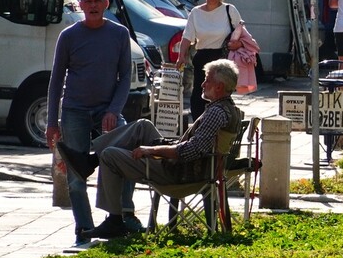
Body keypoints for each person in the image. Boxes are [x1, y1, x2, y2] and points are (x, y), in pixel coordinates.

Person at [62, 59, 243, 240]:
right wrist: (161, 146)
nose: (202, 84)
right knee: (143, 125)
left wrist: (152, 150)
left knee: (110, 156)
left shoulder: (215, 113)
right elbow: (194, 147)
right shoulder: (228, 109)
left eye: (207, 80)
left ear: (219, 87)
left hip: (179, 172)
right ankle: (91, 161)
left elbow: (190, 151)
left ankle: (115, 220)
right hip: (190, 166)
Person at [47, 0, 138, 245]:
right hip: (74, 110)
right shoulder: (69, 36)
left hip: (106, 110)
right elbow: (55, 82)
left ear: (106, 4)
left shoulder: (119, 34)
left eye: (98, 0)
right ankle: (84, 229)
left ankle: (120, 216)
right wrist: (53, 123)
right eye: (88, 1)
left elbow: (124, 79)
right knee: (76, 175)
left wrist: (113, 110)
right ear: (80, 5)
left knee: (125, 155)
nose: (93, 6)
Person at [179, 0, 243, 121]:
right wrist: (181, 56)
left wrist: (237, 44)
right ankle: (198, 128)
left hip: (222, 60)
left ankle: (220, 125)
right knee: (198, 97)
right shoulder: (196, 12)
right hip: (202, 59)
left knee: (220, 97)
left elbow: (243, 35)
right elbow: (187, 37)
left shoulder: (229, 10)